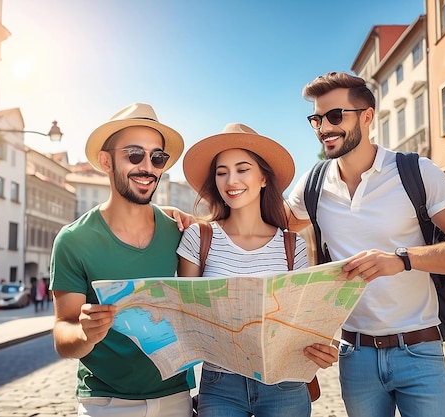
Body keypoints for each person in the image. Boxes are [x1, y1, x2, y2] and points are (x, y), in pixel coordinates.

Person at [285, 72, 445, 417]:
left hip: (420, 350)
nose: (324, 127)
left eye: (335, 116)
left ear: (366, 117)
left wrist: (402, 260)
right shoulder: (313, 183)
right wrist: (175, 216)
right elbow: (261, 222)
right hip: (355, 356)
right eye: (316, 119)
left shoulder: (416, 172)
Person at [177, 123, 337, 417]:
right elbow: (184, 316)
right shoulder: (198, 238)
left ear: (264, 178)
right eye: (221, 171)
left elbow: (302, 322)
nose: (230, 180)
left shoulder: (293, 246)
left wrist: (321, 348)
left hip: (284, 384)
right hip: (220, 383)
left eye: (242, 169)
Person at [49, 103, 195, 417]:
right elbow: (63, 332)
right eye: (134, 154)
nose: (148, 167)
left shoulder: (182, 232)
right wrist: (85, 333)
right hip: (105, 403)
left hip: (177, 397)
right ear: (106, 160)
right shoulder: (73, 240)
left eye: (157, 157)